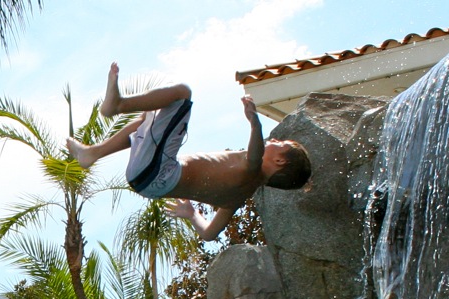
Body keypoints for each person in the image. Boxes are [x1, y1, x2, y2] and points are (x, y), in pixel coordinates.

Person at [67, 63, 312, 241]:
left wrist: (255, 124)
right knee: (151, 118)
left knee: (182, 94)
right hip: (147, 183)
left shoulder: (252, 173)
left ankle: (118, 105)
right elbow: (209, 233)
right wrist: (192, 214)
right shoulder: (237, 198)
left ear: (279, 160)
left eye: (280, 143)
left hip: (159, 170)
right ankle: (93, 153)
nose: (275, 139)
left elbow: (254, 156)